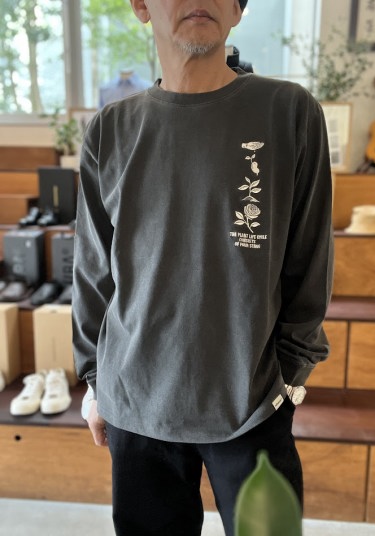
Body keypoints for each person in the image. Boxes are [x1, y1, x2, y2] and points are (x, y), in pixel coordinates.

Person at [72, 1, 334, 535]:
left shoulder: (289, 112)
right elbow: (93, 271)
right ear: (141, 6)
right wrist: (96, 382)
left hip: (253, 402)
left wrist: (289, 381)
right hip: (135, 405)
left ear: (237, 10)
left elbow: (309, 261)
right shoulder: (110, 129)